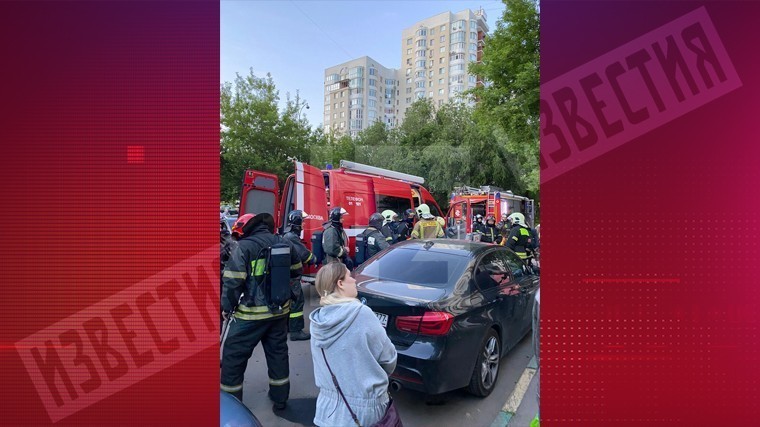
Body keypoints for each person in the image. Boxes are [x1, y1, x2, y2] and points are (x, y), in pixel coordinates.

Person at [220, 213, 304, 410]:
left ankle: (231, 408)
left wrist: (225, 307)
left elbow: (233, 282)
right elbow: (298, 269)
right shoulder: (284, 242)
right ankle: (280, 399)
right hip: (279, 313)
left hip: (249, 316)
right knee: (278, 354)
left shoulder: (243, 247)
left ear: (244, 229)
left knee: (233, 358)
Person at [309, 262, 398, 427]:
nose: (354, 280)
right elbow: (388, 358)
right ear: (340, 283)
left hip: (327, 411)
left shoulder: (317, 321)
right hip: (364, 413)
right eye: (350, 276)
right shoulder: (362, 314)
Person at [282, 210, 314, 341]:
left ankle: (289, 327)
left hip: (288, 275)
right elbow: (304, 255)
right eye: (303, 221)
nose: (304, 224)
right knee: (297, 302)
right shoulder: (291, 238)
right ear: (297, 223)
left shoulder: (288, 236)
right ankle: (296, 331)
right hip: (292, 277)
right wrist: (314, 258)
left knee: (291, 302)